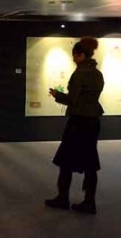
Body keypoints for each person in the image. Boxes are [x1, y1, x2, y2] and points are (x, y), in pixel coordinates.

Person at [45, 36, 104, 215]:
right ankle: (89, 202)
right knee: (90, 163)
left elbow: (72, 99)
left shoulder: (79, 73)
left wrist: (57, 94)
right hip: (93, 121)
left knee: (65, 160)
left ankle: (63, 198)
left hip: (78, 121)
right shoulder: (97, 73)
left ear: (80, 55)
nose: (73, 59)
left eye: (74, 56)